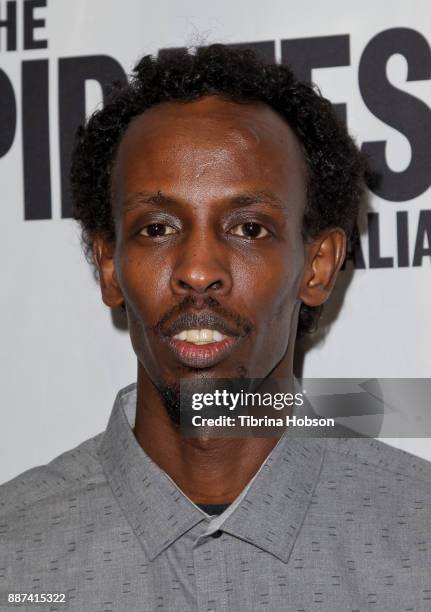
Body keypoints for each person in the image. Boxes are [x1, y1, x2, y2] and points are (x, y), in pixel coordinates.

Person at [1, 45, 430, 612]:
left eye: (249, 228)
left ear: (318, 266)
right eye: (156, 228)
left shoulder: (417, 542)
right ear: (108, 266)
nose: (198, 271)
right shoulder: (15, 557)